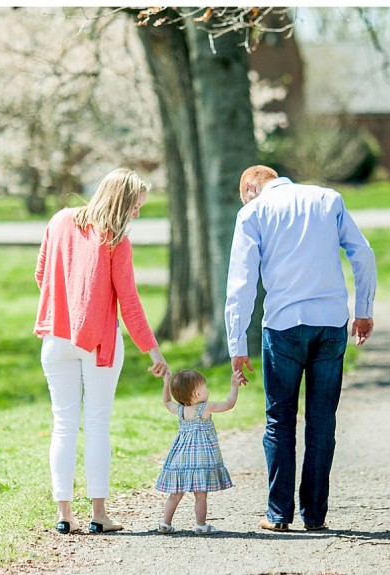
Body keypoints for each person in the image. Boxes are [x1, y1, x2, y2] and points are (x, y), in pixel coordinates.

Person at [225, 165, 376, 532]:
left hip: (283, 326)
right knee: (322, 420)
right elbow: (364, 255)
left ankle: (278, 515)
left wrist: (237, 341)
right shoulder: (329, 199)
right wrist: (364, 311)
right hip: (330, 322)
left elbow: (241, 282)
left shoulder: (253, 212)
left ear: (250, 189)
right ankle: (315, 515)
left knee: (280, 420)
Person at [35, 167, 168, 535]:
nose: (138, 213)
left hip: (55, 337)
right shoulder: (116, 241)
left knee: (63, 424)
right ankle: (99, 514)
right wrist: (153, 351)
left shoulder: (60, 221)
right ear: (122, 202)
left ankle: (64, 514)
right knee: (96, 425)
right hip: (98, 344)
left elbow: (40, 273)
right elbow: (130, 302)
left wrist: (65, 302)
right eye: (136, 206)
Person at [155, 369, 242, 534]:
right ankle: (201, 525)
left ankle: (165, 524)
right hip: (201, 459)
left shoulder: (180, 410)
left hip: (180, 458)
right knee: (200, 495)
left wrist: (166, 384)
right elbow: (229, 404)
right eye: (205, 387)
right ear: (196, 393)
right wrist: (234, 386)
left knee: (175, 494)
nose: (208, 390)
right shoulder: (205, 408)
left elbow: (167, 402)